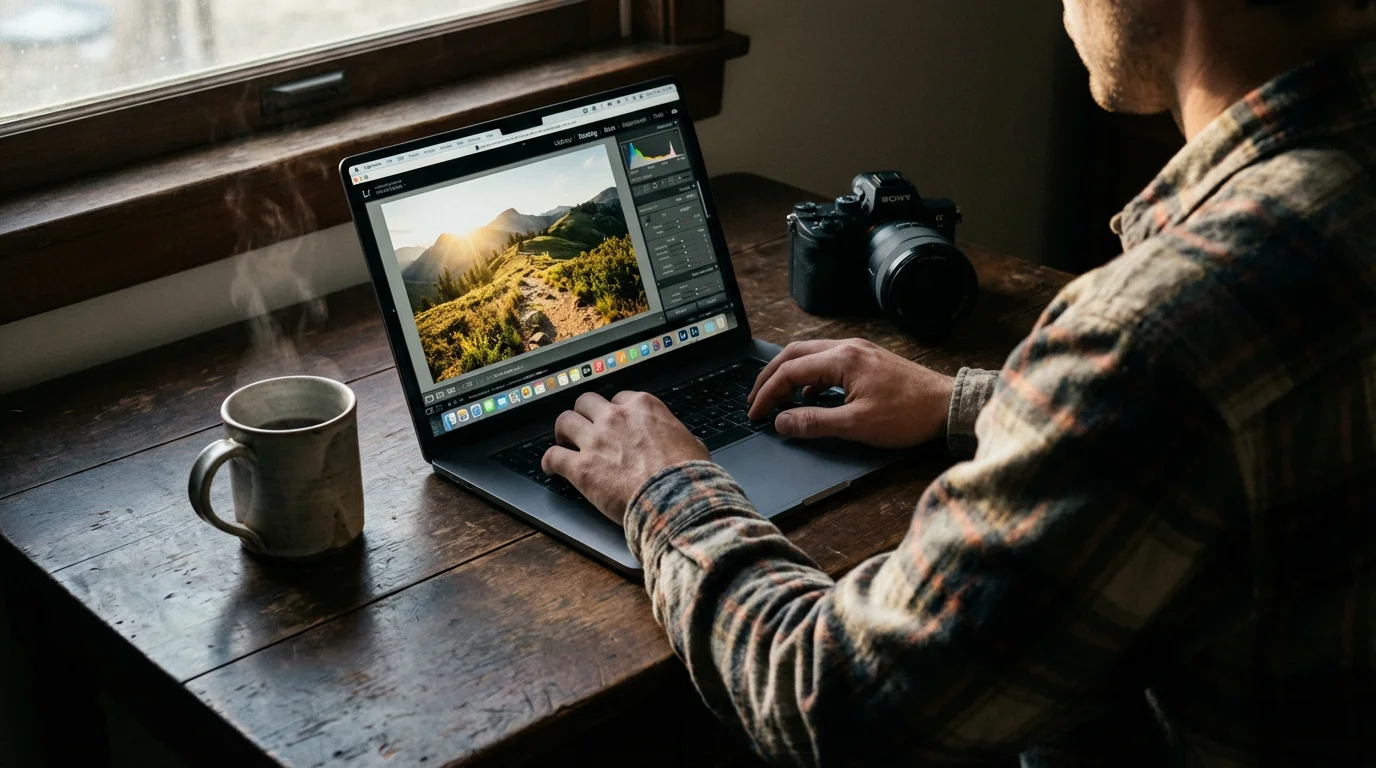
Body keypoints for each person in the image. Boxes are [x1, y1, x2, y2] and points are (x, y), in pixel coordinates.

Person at [542, 0, 1376, 763]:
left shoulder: (1158, 333)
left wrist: (663, 488)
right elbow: (1229, 424)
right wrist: (983, 405)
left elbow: (840, 699)